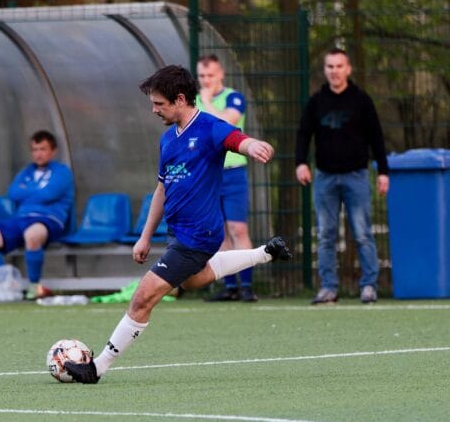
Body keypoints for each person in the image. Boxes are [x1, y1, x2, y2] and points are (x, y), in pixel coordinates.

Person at [64, 65, 291, 384]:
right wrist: (144, 237)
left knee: (143, 296)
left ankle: (97, 367)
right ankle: (266, 253)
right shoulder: (168, 140)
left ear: (180, 99)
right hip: (179, 234)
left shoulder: (211, 128)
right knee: (194, 281)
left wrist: (252, 146)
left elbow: (237, 139)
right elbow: (162, 188)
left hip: (200, 235)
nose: (154, 110)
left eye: (159, 104)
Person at [295, 48, 388, 305]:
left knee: (362, 233)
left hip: (356, 176)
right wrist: (301, 163)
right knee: (325, 234)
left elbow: (376, 137)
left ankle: (369, 286)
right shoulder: (316, 101)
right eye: (330, 67)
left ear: (348, 69)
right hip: (325, 177)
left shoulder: (361, 100)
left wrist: (383, 171)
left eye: (339, 66)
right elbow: (303, 134)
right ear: (325, 71)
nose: (334, 71)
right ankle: (328, 288)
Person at [0, 130, 74, 301]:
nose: (38, 154)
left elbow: (49, 194)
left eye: (42, 149)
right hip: (20, 219)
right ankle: (8, 281)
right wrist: (37, 193)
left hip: (49, 220)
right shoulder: (25, 172)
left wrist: (28, 193)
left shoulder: (62, 172)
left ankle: (34, 287)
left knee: (32, 235)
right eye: (34, 150)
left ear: (53, 151)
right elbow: (13, 193)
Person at [195, 54, 257, 302]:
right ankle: (230, 286)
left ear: (220, 74)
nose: (206, 80)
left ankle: (248, 286)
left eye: (210, 75)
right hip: (208, 175)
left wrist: (208, 101)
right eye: (201, 76)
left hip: (232, 173)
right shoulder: (193, 101)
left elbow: (224, 125)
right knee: (218, 232)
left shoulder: (233, 98)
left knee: (238, 228)